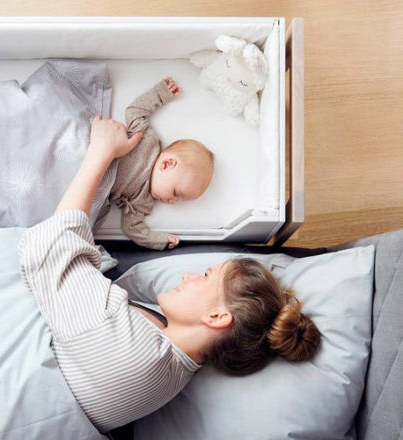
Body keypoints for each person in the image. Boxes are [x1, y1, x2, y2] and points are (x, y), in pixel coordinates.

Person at [17, 115, 321, 433]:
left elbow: (47, 248)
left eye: (205, 276)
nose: (187, 277)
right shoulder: (173, 372)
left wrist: (101, 152)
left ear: (217, 317)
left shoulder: (137, 351)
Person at [107, 77, 215, 250]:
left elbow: (132, 228)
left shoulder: (143, 201)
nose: (172, 201)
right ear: (167, 164)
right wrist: (160, 93)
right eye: (175, 193)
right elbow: (134, 111)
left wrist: (159, 240)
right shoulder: (147, 142)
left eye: (178, 200)